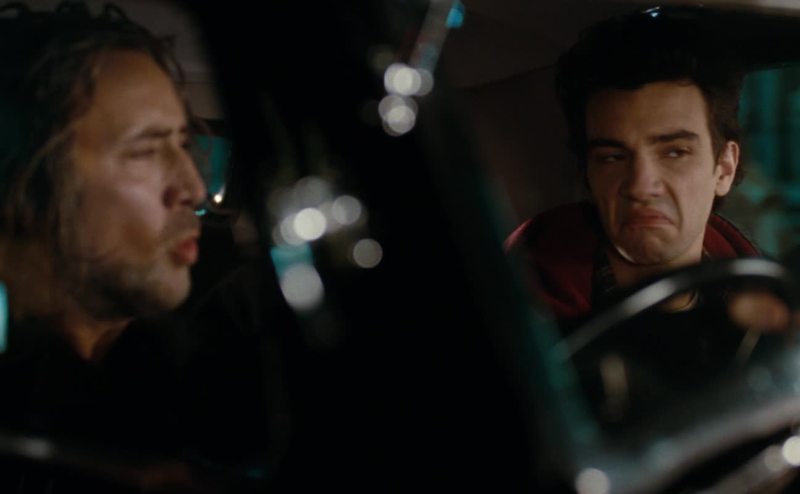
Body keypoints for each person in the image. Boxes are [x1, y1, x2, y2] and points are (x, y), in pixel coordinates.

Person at [506, 11, 762, 327]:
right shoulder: (516, 316)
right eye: (613, 157)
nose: (641, 186)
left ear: (724, 168)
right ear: (588, 173)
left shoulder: (762, 305)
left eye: (674, 152)